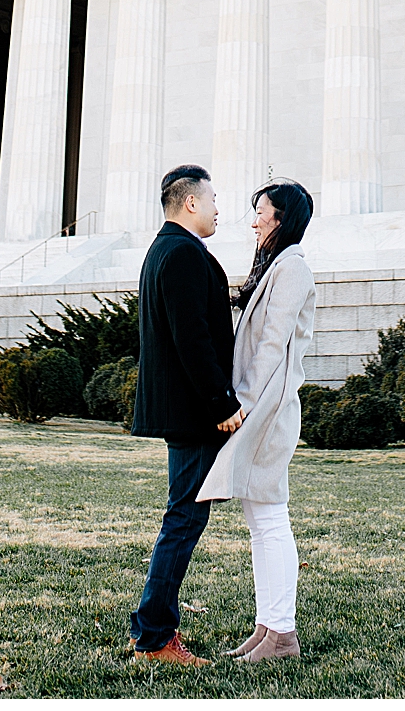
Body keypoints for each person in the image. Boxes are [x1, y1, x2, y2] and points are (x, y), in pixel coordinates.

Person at [197, 179, 317, 663]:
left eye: (261, 212)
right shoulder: (274, 266)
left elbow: (272, 344)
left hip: (266, 409)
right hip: (260, 406)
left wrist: (239, 403)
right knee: (260, 520)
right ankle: (267, 629)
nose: (254, 219)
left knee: (270, 521)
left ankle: (282, 635)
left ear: (281, 218)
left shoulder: (292, 269)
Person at [128, 165, 244, 667]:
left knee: (183, 515)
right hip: (196, 413)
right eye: (214, 199)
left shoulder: (165, 251)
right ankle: (154, 636)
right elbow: (191, 338)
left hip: (185, 410)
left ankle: (152, 631)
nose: (219, 208)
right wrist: (222, 404)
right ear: (191, 203)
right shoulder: (182, 254)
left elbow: (196, 318)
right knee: (183, 518)